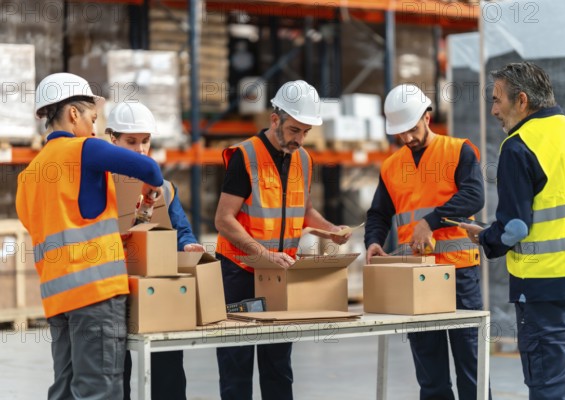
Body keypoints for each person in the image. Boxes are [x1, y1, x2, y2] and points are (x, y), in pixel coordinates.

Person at [16, 73, 164, 400]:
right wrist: (147, 188)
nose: (95, 128)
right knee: (99, 389)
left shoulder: (28, 177)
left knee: (66, 390)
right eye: (92, 118)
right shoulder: (85, 149)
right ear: (73, 114)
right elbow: (151, 171)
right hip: (96, 295)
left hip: (57, 300)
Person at [461, 61, 565, 400]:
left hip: (543, 287)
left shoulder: (519, 145)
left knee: (551, 384)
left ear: (521, 101)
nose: (493, 110)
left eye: (497, 100)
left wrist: (484, 237)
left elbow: (515, 227)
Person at [214, 80, 351, 400]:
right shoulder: (244, 156)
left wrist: (331, 230)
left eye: (305, 132)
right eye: (294, 130)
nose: (299, 139)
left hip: (279, 273)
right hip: (239, 271)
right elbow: (223, 219)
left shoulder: (303, 159)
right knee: (237, 362)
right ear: (275, 120)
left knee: (278, 364)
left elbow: (305, 212)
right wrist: (262, 253)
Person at [365, 84, 487, 400]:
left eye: (412, 128)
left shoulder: (458, 150)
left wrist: (429, 222)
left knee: (471, 364)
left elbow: (474, 196)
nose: (406, 138)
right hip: (416, 277)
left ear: (427, 117)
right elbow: (378, 212)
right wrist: (373, 241)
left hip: (459, 274)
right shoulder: (391, 166)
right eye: (399, 133)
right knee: (429, 371)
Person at [105, 102, 205, 400]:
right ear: (113, 140)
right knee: (114, 373)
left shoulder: (166, 188)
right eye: (131, 141)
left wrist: (187, 245)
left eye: (145, 141)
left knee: (168, 368)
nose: (140, 149)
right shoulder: (102, 186)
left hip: (156, 291)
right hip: (113, 291)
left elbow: (180, 229)